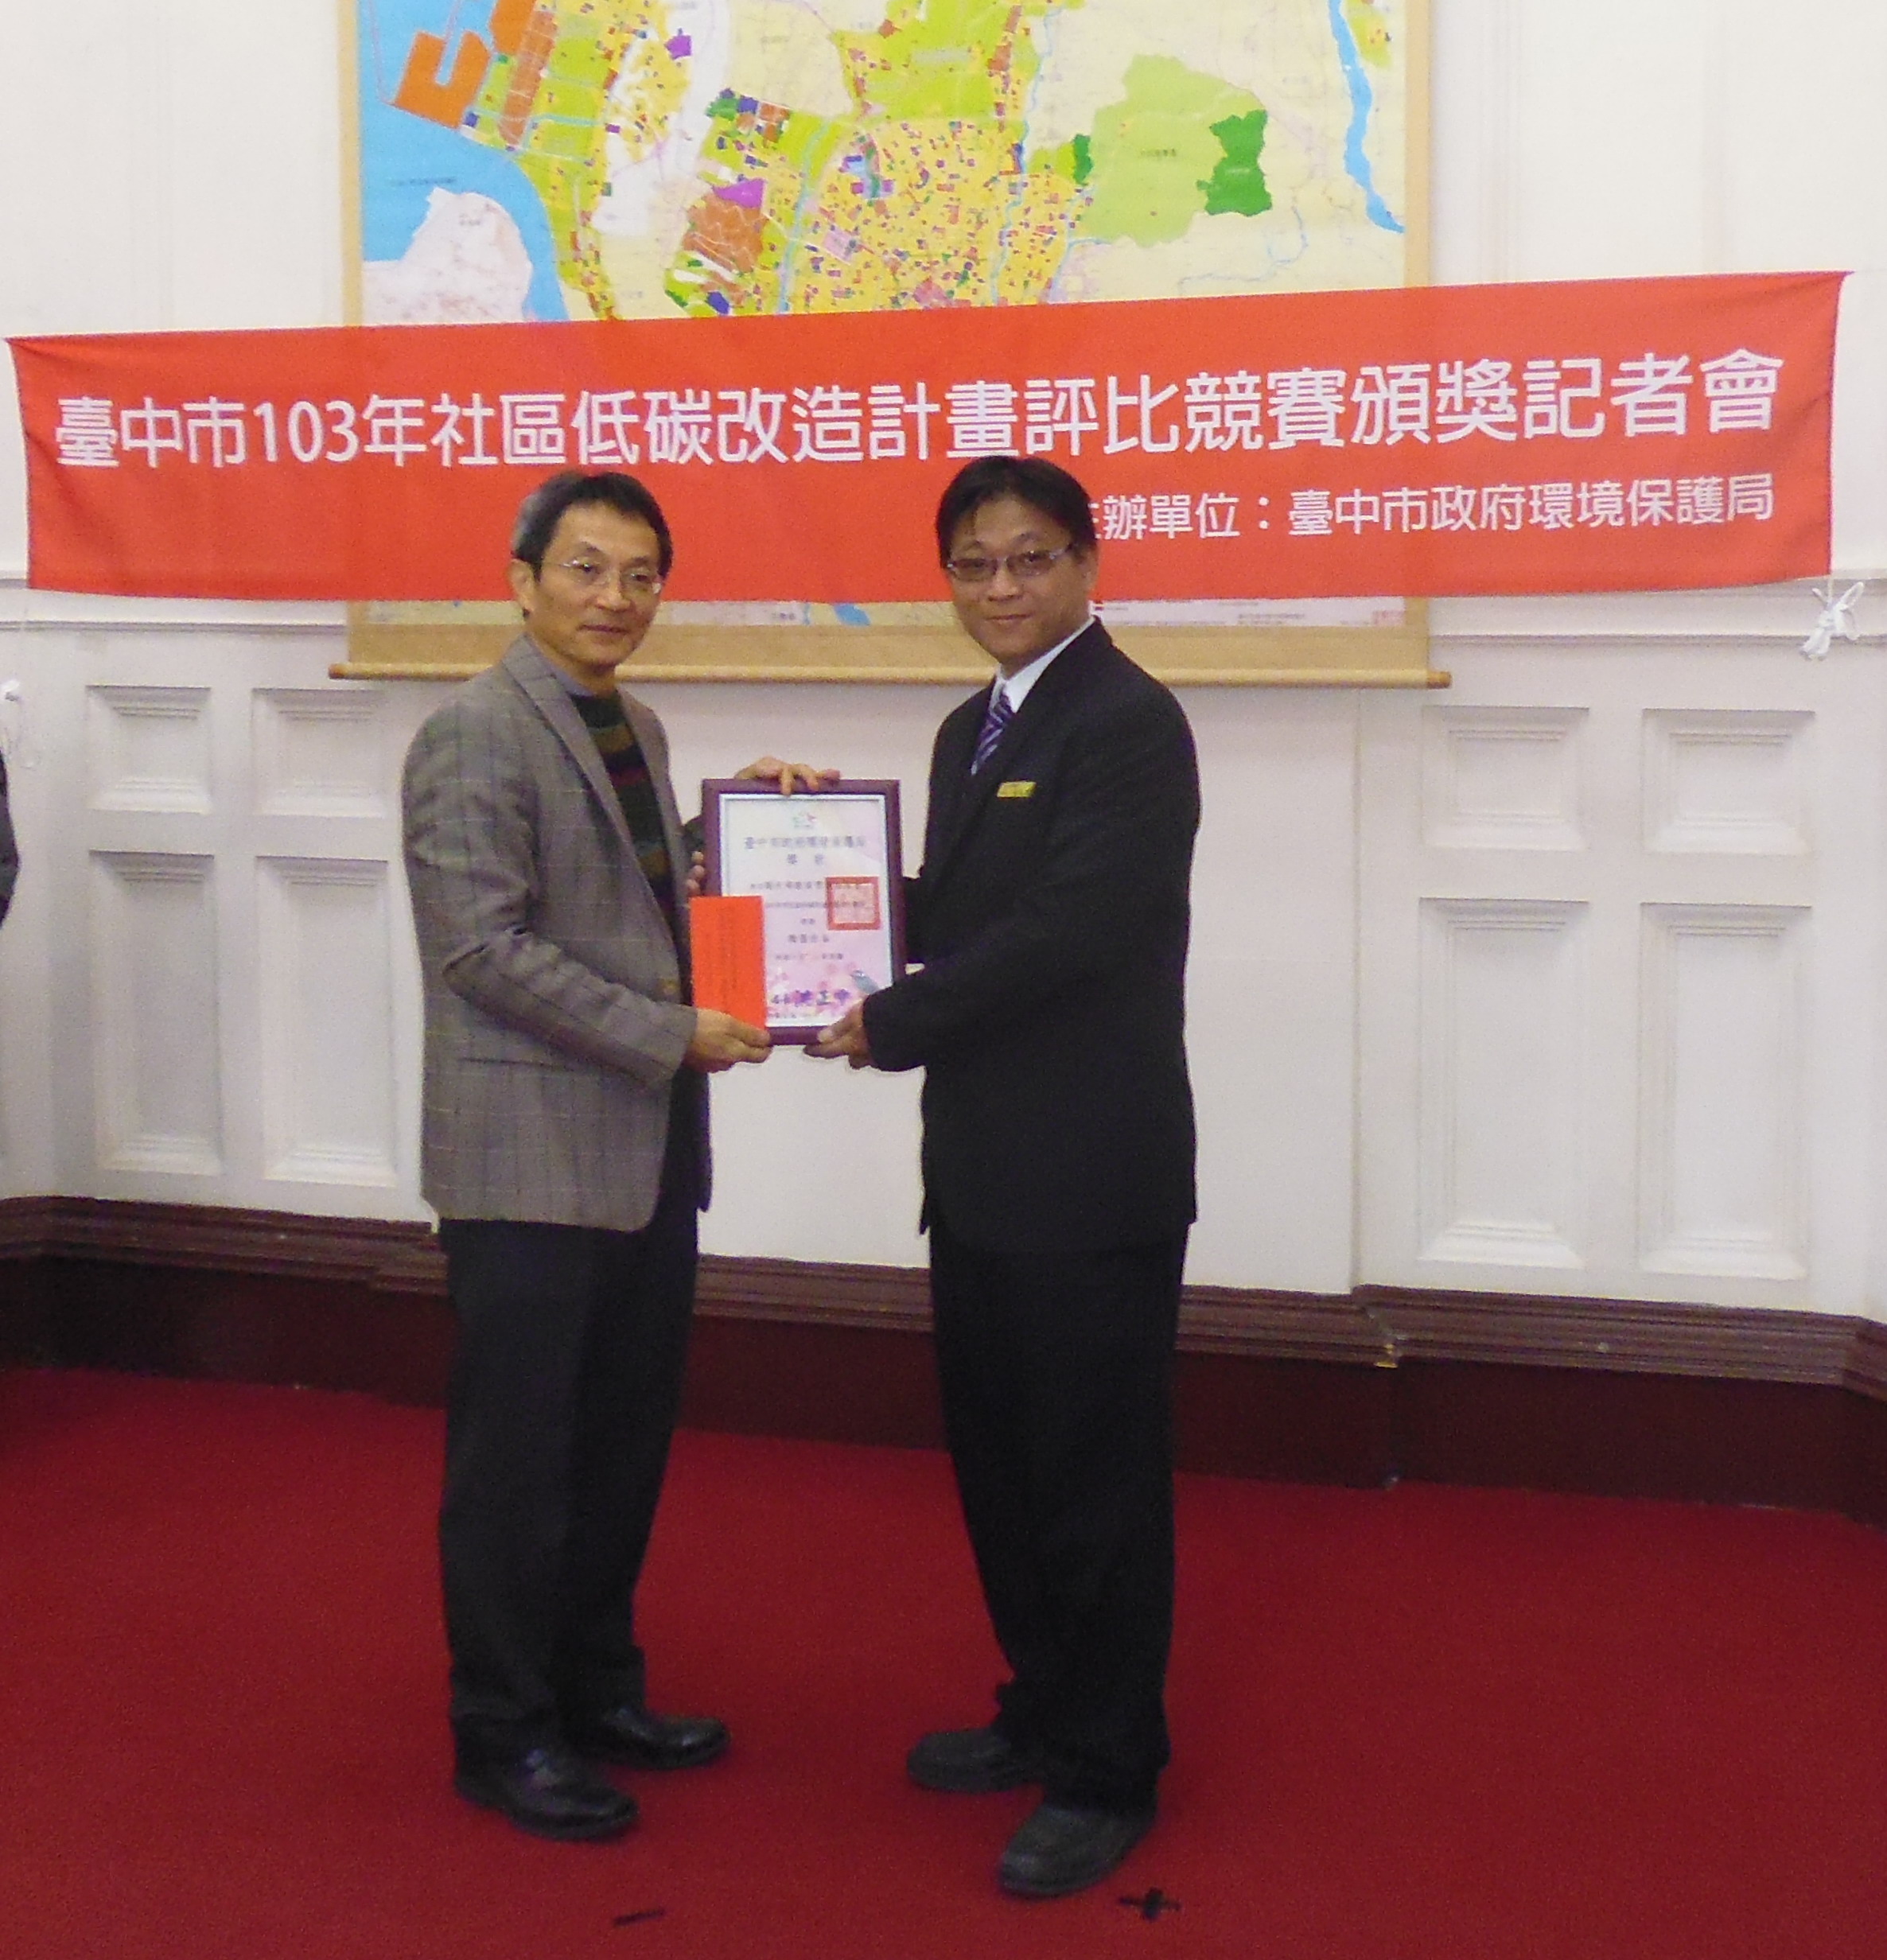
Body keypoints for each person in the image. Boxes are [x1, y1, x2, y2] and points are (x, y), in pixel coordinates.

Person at [402, 469, 813, 1842]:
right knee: (518, 1466)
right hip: (528, 1161)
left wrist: (737, 829)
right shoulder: (472, 731)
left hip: (642, 1156)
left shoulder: (633, 720)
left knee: (619, 1448)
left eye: (641, 575)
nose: (614, 598)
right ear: (521, 581)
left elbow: (627, 900)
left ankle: (593, 1692)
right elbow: (481, 949)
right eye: (585, 568)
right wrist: (666, 1033)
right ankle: (502, 1733)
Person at [810, 457, 1200, 1898]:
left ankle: (1107, 1770)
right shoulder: (970, 725)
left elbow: (1069, 933)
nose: (1002, 588)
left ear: (1089, 563)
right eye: (973, 565)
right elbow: (962, 911)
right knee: (1006, 1469)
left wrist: (894, 1021)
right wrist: (811, 850)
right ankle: (1042, 1706)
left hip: (1089, 1177)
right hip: (981, 1171)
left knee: (1092, 1482)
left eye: (1031, 558)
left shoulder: (1129, 723)